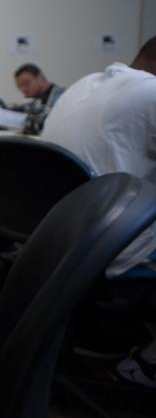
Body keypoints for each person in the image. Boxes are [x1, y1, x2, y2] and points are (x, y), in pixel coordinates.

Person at [42, 37, 156, 388]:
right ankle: (148, 364)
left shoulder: (83, 85)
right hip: (104, 245)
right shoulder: (151, 93)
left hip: (47, 239)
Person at [12, 63, 65, 134]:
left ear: (40, 77)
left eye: (27, 83)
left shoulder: (61, 96)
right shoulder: (35, 101)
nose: (23, 89)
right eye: (19, 86)